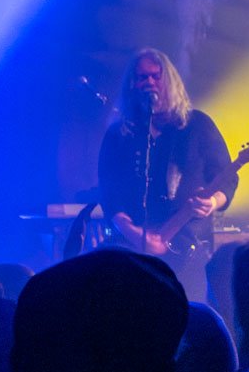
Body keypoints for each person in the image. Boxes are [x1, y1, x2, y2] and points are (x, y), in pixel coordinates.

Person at [98, 48, 236, 295]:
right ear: (132, 86)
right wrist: (134, 233)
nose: (149, 83)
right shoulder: (119, 135)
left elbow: (228, 178)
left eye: (156, 76)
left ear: (169, 81)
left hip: (188, 246)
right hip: (132, 248)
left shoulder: (198, 125)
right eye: (141, 78)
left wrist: (213, 202)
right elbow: (109, 193)